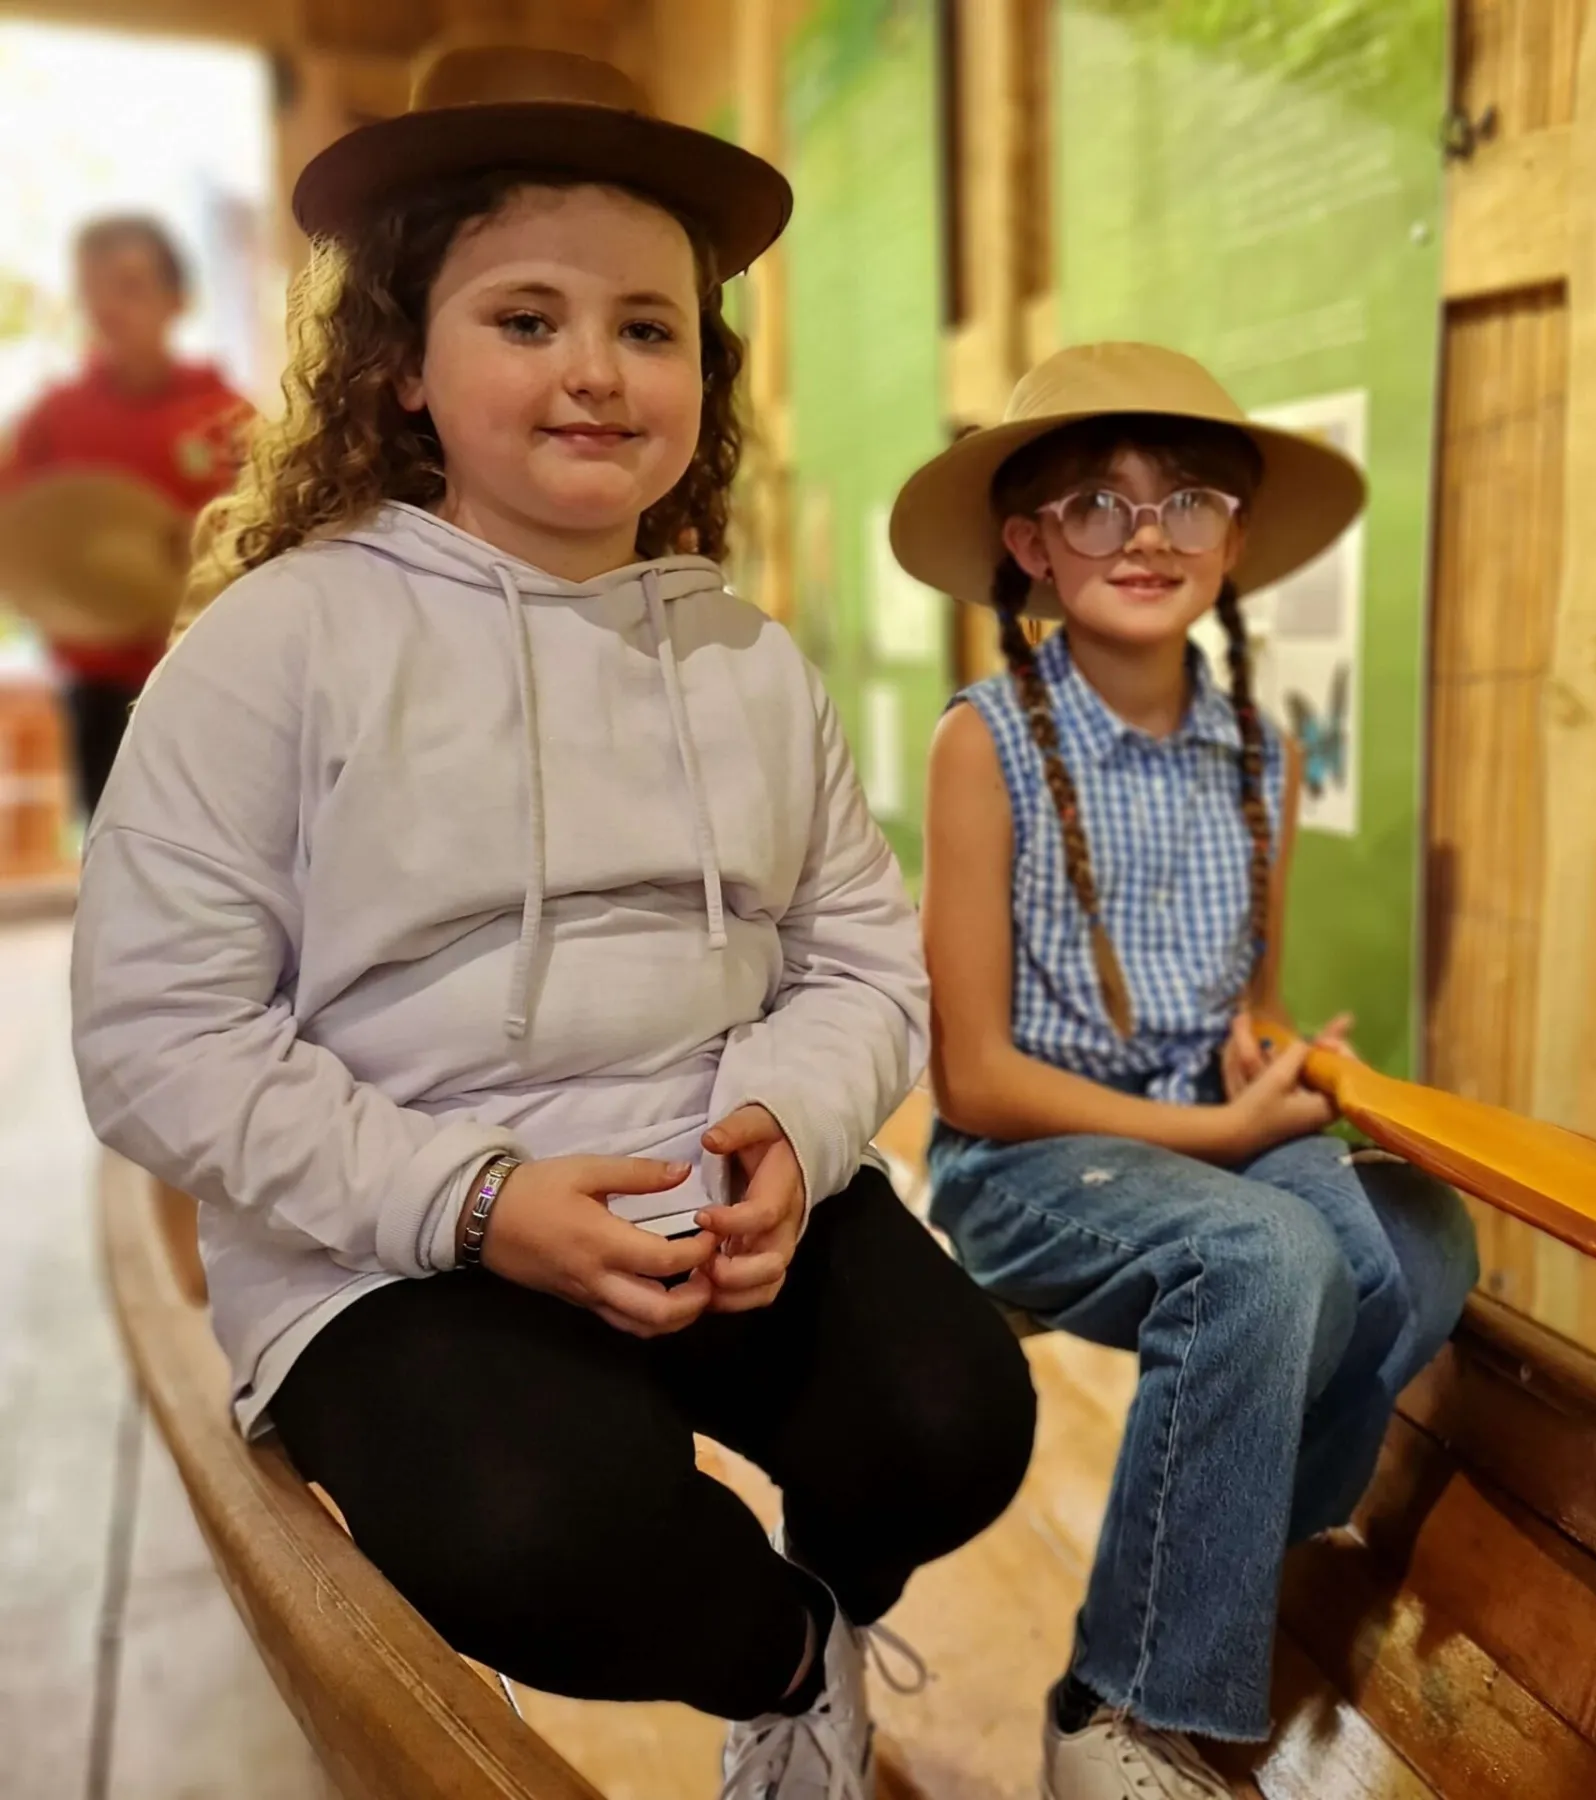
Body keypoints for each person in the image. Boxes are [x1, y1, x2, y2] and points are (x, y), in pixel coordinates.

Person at [69, 47, 1034, 1800]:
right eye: (526, 318)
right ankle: (786, 1658)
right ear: (402, 367)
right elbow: (155, 1040)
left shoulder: (745, 657)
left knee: (957, 1419)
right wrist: (480, 1201)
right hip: (396, 1228)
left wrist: (790, 1134)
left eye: (649, 328)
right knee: (531, 1527)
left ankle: (820, 1594)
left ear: (700, 372)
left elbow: (859, 960)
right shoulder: (272, 651)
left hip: (709, 1194)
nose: (596, 369)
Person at [897, 343, 1480, 1800]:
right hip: (1028, 1162)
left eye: (1186, 501)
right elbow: (969, 1079)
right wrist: (1224, 1132)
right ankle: (1120, 1705)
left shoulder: (1257, 752)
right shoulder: (987, 748)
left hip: (1206, 1133)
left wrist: (1280, 1061)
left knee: (1420, 1242)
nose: (1145, 534)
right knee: (1275, 1258)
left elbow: (1252, 1006)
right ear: (1029, 547)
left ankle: (1222, 1569)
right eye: (1095, 504)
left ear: (1235, 538)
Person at [0, 214, 249, 815]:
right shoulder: (54, 419)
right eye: (93, 289)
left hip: (212, 673)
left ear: (177, 299)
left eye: (130, 286)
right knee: (113, 845)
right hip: (99, 681)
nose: (109, 306)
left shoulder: (227, 419)